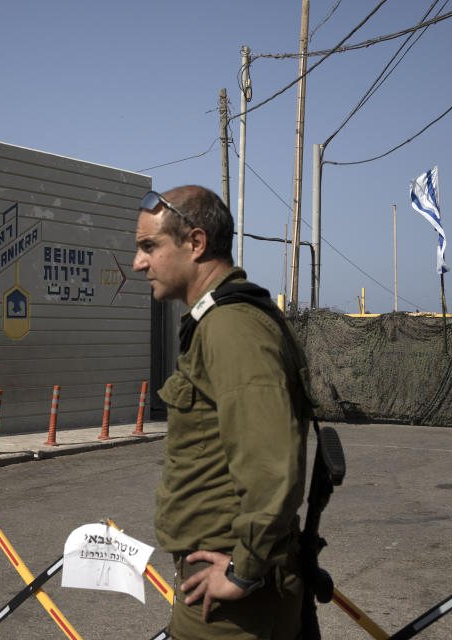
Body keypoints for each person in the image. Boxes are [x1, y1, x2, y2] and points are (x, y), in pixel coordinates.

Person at [132, 185, 314, 639]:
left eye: (149, 247)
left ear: (195, 244)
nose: (139, 263)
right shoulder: (217, 320)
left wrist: (242, 570)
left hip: (235, 603)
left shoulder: (232, 328)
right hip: (212, 582)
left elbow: (272, 466)